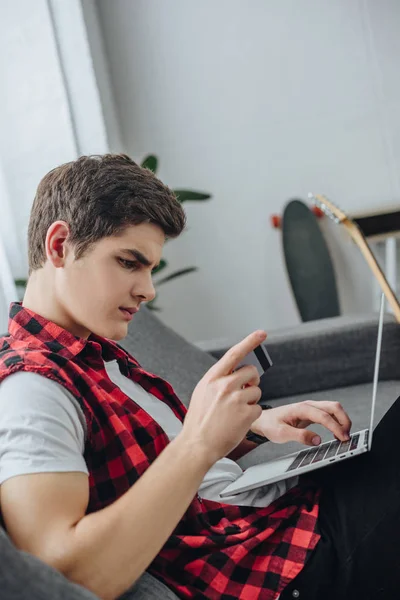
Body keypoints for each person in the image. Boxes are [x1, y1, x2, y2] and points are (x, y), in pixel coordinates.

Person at [0, 154, 398, 600]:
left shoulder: (92, 352)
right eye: (129, 262)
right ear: (59, 246)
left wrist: (252, 428)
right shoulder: (31, 389)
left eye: (149, 268)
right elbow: (63, 575)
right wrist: (198, 443)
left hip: (290, 522)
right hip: (289, 566)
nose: (148, 290)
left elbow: (161, 459)